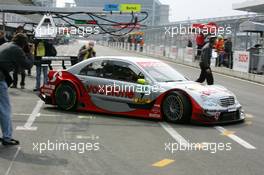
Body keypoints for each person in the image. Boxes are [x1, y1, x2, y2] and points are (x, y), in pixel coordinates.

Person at [0, 33, 33, 145]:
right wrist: (29, 52)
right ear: (23, 43)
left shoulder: (6, 44)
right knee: (5, 109)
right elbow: (28, 65)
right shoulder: (16, 49)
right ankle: (7, 138)